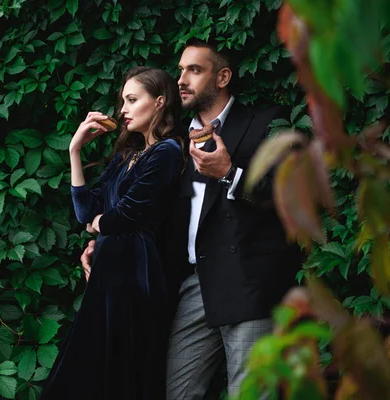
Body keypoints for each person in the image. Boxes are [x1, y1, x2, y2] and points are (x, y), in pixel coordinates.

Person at [81, 39, 303, 399]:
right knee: (178, 393)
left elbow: (288, 194)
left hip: (249, 284)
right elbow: (146, 211)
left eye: (195, 70)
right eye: (181, 70)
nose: (181, 79)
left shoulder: (264, 124)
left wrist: (230, 172)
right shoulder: (171, 143)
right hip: (191, 286)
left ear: (223, 77)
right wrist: (105, 245)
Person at [40, 66, 185, 400]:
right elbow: (84, 213)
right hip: (110, 270)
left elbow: (124, 216)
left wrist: (100, 223)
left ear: (159, 102)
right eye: (123, 101)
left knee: (121, 369)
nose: (122, 109)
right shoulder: (126, 155)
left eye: (132, 100)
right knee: (88, 367)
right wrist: (75, 151)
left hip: (136, 271)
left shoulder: (166, 152)